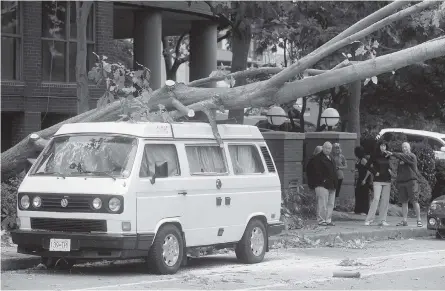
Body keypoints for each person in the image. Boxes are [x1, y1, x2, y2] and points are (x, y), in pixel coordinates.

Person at [385, 142, 423, 227]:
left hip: (412, 182)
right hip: (402, 183)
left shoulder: (412, 156)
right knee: (404, 202)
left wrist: (392, 153)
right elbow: (399, 172)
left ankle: (419, 220)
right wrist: (395, 177)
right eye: (403, 147)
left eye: (405, 147)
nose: (404, 148)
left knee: (414, 201)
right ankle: (404, 221)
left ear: (409, 148)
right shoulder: (401, 159)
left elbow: (402, 156)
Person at [364, 141, 392, 226]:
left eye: (384, 146)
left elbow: (388, 165)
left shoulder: (387, 156)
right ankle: (369, 219)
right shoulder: (374, 155)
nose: (383, 147)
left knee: (385, 200)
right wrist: (375, 172)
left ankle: (382, 220)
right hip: (377, 180)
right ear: (379, 146)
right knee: (376, 199)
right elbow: (367, 165)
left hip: (387, 179)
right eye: (382, 146)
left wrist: (390, 170)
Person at [311, 142, 338, 226]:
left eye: (329, 148)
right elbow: (316, 172)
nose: (328, 150)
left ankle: (328, 220)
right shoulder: (318, 158)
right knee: (322, 203)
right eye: (326, 148)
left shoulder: (331, 157)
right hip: (321, 185)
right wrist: (324, 180)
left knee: (330, 203)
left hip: (332, 185)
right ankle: (321, 220)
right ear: (323, 148)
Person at [354, 146, 370, 215]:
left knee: (364, 194)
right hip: (360, 178)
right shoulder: (359, 159)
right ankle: (358, 209)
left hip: (364, 178)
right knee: (358, 193)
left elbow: (369, 170)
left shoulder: (363, 160)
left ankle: (364, 210)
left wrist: (365, 180)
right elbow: (360, 168)